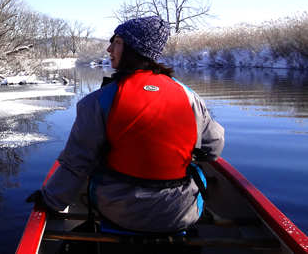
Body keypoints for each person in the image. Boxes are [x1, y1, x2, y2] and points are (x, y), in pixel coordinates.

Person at [27, 16, 225, 234]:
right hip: (180, 213)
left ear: (134, 50)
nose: (109, 48)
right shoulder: (190, 97)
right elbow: (212, 150)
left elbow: (77, 162)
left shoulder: (98, 101)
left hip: (120, 214)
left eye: (117, 42)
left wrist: (50, 201)